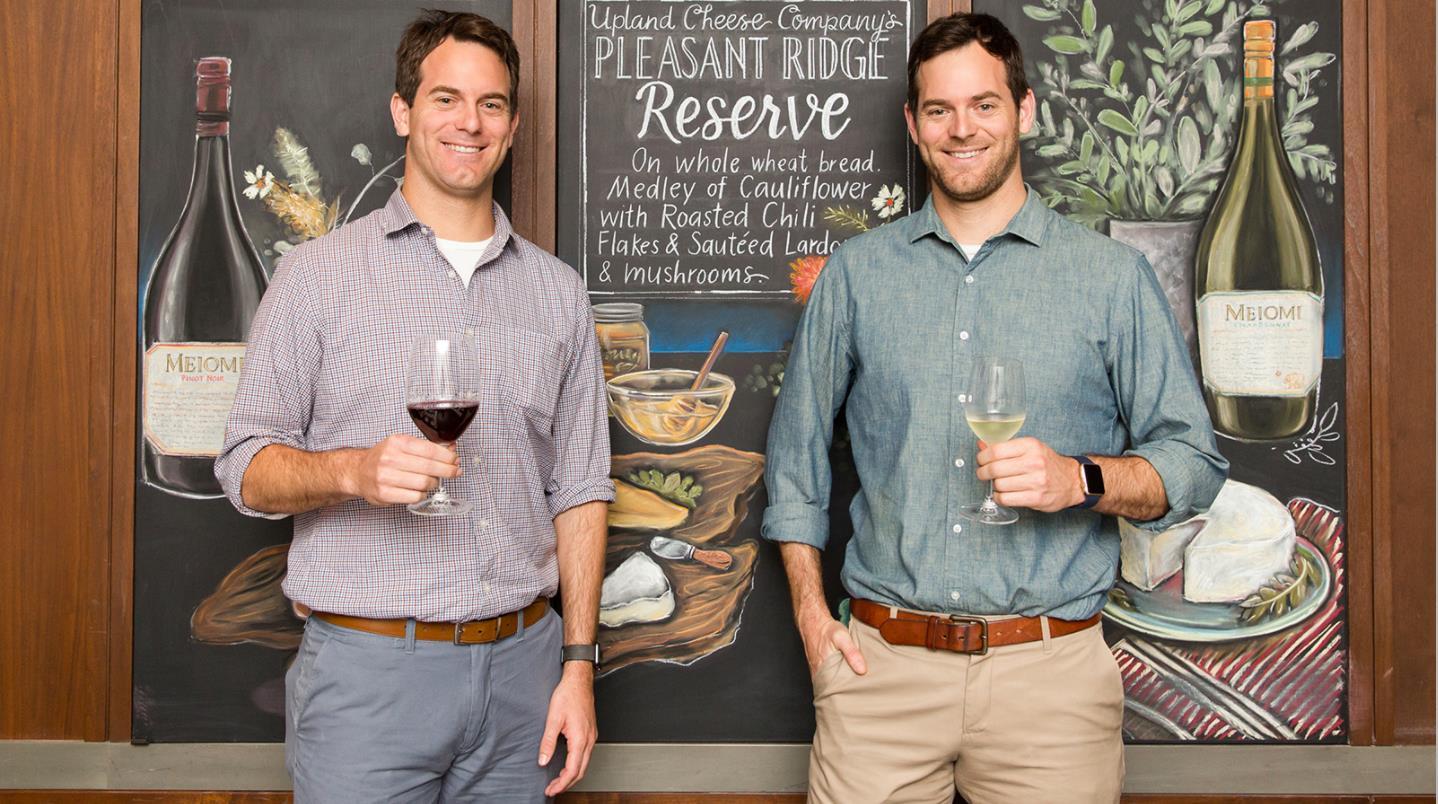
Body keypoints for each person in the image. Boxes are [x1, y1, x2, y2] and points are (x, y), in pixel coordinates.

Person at [762, 12, 1228, 804]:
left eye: (983, 104)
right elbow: (795, 461)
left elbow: (1194, 463)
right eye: (938, 110)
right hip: (882, 676)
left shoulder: (1111, 279)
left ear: (1026, 110)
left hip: (1050, 681)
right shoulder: (858, 276)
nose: (960, 129)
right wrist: (813, 619)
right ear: (913, 124)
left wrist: (1077, 479)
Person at [216, 10, 611, 802]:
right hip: (368, 681)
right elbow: (244, 468)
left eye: (492, 104)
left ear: (512, 123)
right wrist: (354, 471)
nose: (470, 121)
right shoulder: (317, 277)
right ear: (403, 111)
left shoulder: (558, 294)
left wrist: (577, 664)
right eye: (445, 98)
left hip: (523, 681)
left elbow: (580, 488)